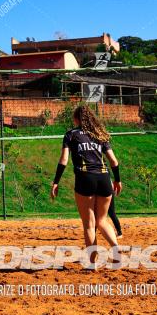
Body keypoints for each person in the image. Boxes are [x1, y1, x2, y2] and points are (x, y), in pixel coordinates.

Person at [51, 104, 122, 257]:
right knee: (102, 221)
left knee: (89, 225)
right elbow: (114, 161)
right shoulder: (100, 134)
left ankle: (92, 264)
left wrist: (56, 181)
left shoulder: (70, 135)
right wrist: (117, 180)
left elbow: (64, 160)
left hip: (85, 177)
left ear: (76, 119)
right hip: (104, 177)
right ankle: (115, 247)